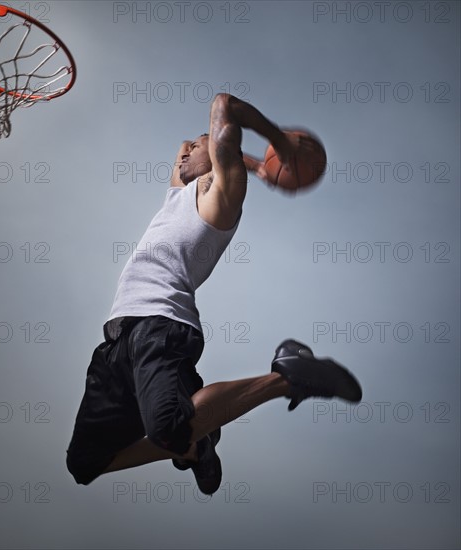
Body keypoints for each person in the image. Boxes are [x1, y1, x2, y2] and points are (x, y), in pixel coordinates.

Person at [66, 93, 362, 495]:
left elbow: (225, 105)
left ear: (225, 157)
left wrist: (278, 142)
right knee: (85, 463)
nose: (185, 147)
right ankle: (194, 445)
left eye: (199, 141)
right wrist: (262, 166)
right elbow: (189, 152)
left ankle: (288, 377)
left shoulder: (220, 197)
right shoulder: (178, 195)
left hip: (162, 325)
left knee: (168, 426)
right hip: (119, 337)